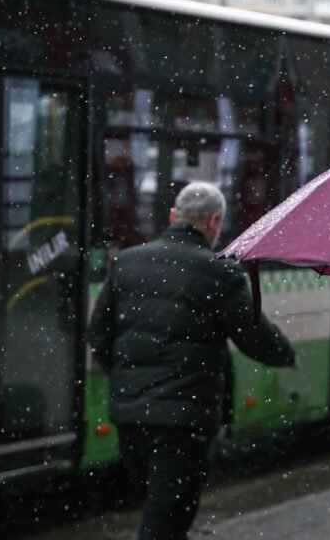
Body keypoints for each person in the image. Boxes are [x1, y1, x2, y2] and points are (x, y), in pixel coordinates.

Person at [88, 181, 296, 540]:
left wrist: (128, 380)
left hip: (130, 416)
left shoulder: (127, 262)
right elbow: (252, 333)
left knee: (157, 507)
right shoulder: (218, 269)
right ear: (214, 222)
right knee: (167, 519)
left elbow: (99, 336)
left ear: (173, 216)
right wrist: (284, 354)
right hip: (183, 422)